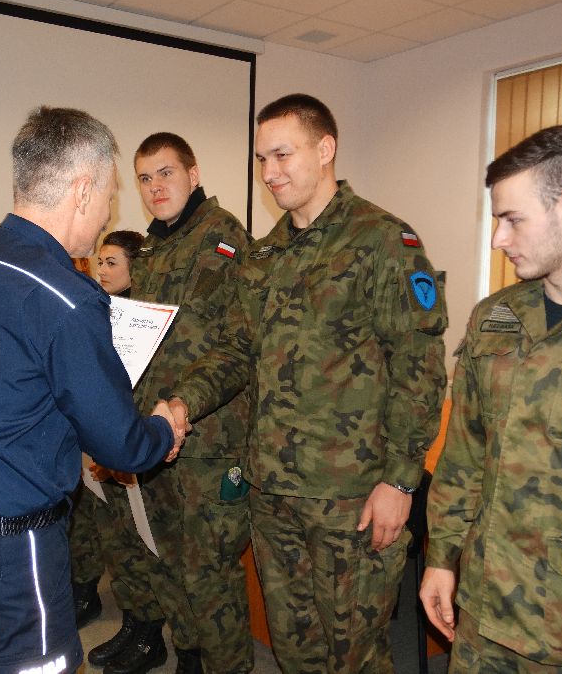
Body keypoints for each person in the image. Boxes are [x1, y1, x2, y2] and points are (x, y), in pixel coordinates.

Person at [165, 94, 448, 673]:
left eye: (283, 155)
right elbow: (236, 351)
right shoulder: (265, 255)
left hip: (352, 497)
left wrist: (400, 480)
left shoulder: (383, 241)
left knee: (356, 655)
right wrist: (180, 402)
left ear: (325, 149)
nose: (270, 173)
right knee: (296, 652)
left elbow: (418, 366)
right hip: (273, 495)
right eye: (261, 159)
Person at [0, 106, 183, 674]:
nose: (109, 212)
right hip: (12, 553)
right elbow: (121, 446)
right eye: (109, 194)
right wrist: (164, 428)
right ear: (81, 190)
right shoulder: (66, 299)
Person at [421, 125, 562, 674]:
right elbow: (464, 455)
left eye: (512, 219)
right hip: (485, 618)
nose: (497, 240)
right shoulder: (497, 318)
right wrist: (442, 557)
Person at [87, 133, 252, 674]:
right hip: (157, 433)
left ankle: (226, 665)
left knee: (211, 570)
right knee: (168, 558)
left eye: (166, 173)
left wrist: (178, 406)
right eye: (144, 178)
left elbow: (234, 346)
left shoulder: (223, 239)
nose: (156, 187)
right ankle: (190, 655)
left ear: (193, 174)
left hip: (209, 436)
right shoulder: (154, 249)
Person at [69, 230, 145, 628]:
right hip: (91, 435)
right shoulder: (97, 307)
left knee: (128, 538)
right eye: (100, 261)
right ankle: (85, 593)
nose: (101, 270)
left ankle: (141, 624)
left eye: (111, 263)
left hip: (123, 439)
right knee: (88, 522)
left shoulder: (145, 319)